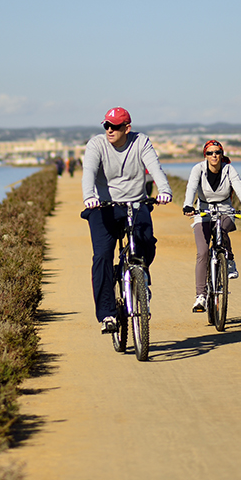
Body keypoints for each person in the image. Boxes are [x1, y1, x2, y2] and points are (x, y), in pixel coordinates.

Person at [81, 107, 172, 333]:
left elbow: (155, 168)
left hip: (135, 203)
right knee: (102, 256)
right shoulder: (96, 144)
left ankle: (141, 278)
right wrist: (89, 196)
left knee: (147, 241)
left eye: (114, 126)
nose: (109, 130)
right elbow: (89, 171)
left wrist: (165, 190)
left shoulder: (140, 142)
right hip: (103, 206)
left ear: (127, 128)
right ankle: (107, 315)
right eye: (106, 126)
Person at [182, 140, 241, 313]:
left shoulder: (229, 169)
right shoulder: (198, 169)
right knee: (202, 252)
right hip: (203, 211)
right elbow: (191, 187)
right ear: (205, 155)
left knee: (222, 230)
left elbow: (239, 187)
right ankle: (201, 296)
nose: (214, 155)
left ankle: (229, 259)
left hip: (225, 210)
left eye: (217, 152)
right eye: (210, 153)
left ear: (222, 155)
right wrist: (187, 205)